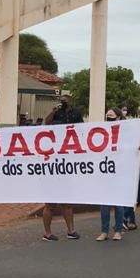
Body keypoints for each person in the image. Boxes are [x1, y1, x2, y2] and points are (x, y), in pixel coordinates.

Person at [41, 95, 81, 242]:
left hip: (66, 167)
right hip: (52, 169)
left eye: (66, 100)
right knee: (50, 204)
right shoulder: (53, 118)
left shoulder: (75, 114)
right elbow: (46, 123)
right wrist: (53, 111)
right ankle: (47, 233)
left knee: (68, 202)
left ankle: (71, 230)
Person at [96, 108, 128, 241]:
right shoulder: (102, 132)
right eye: (107, 115)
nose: (109, 117)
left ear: (119, 117)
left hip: (119, 172)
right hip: (106, 171)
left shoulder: (125, 133)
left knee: (118, 203)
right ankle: (104, 231)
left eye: (111, 115)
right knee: (104, 204)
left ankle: (118, 230)